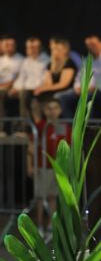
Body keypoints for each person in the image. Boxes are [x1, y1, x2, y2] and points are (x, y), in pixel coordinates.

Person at [28, 97, 70, 232]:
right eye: (49, 108)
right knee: (40, 197)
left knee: (53, 197)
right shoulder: (40, 127)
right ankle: (40, 226)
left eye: (55, 108)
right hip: (43, 167)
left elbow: (69, 146)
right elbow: (31, 148)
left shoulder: (64, 127)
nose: (52, 111)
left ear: (60, 110)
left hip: (58, 168)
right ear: (45, 111)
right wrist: (30, 165)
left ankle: (52, 226)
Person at [58, 34, 101, 118]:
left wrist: (92, 88)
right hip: (85, 90)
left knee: (88, 97)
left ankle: (89, 125)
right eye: (88, 45)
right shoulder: (87, 60)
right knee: (62, 97)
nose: (90, 47)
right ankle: (70, 124)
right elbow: (79, 77)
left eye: (93, 45)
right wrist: (77, 87)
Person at [9, 37, 50, 125]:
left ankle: (25, 127)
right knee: (4, 94)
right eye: (29, 48)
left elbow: (45, 80)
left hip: (38, 89)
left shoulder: (47, 60)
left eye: (34, 47)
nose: (31, 50)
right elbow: (21, 78)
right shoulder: (26, 61)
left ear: (40, 48)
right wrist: (15, 88)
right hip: (25, 89)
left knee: (24, 94)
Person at [33, 37, 77, 105]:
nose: (54, 52)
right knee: (36, 96)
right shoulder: (50, 64)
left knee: (45, 96)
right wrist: (42, 88)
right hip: (53, 89)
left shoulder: (69, 63)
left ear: (64, 50)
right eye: (53, 49)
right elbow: (48, 83)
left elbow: (64, 84)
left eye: (57, 49)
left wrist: (44, 89)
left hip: (66, 90)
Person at [0, 35, 24, 133]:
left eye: (11, 45)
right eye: (6, 45)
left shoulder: (21, 60)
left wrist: (7, 86)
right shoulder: (1, 60)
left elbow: (18, 78)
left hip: (14, 88)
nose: (9, 47)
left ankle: (1, 128)